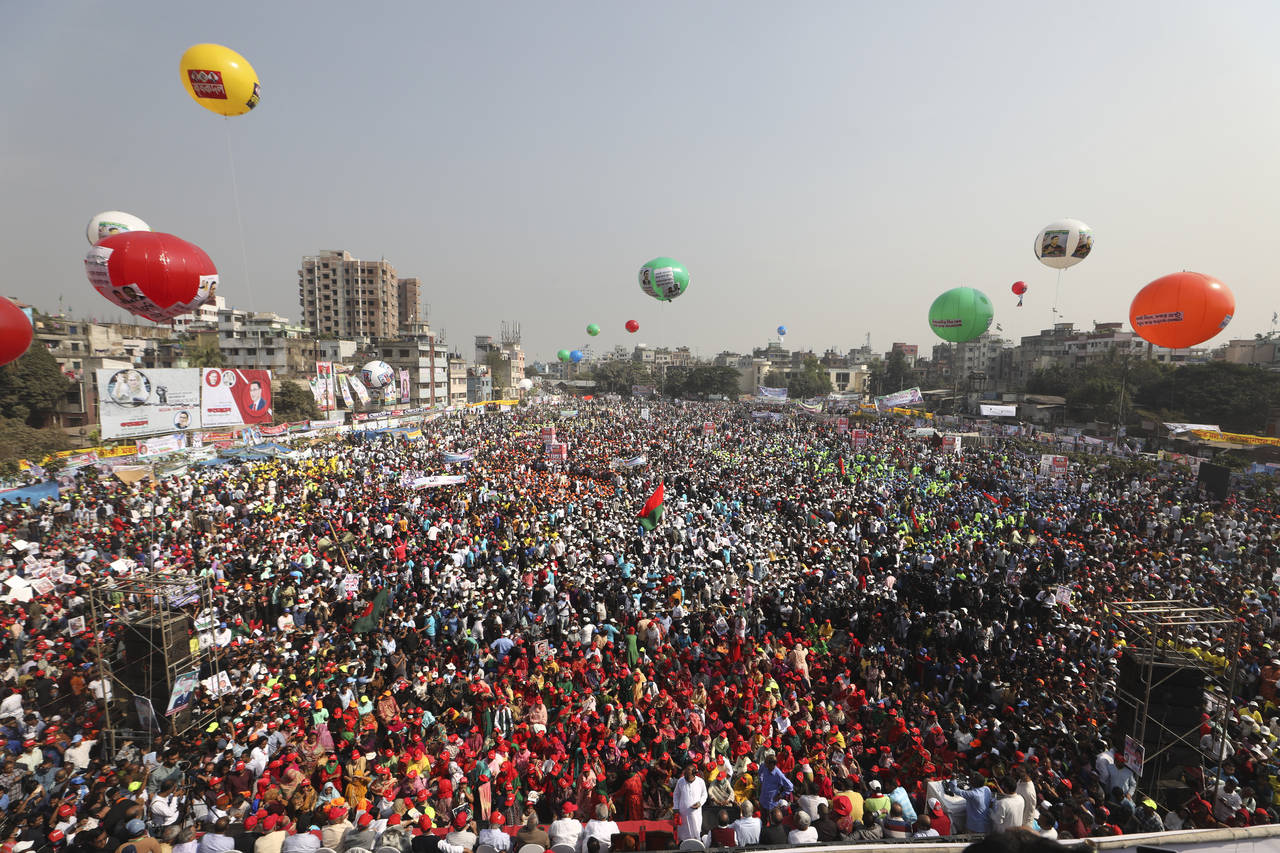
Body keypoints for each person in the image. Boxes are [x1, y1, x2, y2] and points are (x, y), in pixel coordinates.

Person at [672, 764, 707, 842]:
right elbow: (676, 795)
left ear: (694, 774)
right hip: (683, 814)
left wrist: (700, 803)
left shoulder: (700, 782)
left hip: (695, 814)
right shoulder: (680, 781)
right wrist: (676, 808)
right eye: (685, 776)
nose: (686, 778)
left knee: (696, 834)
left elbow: (705, 795)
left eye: (688, 776)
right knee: (683, 835)